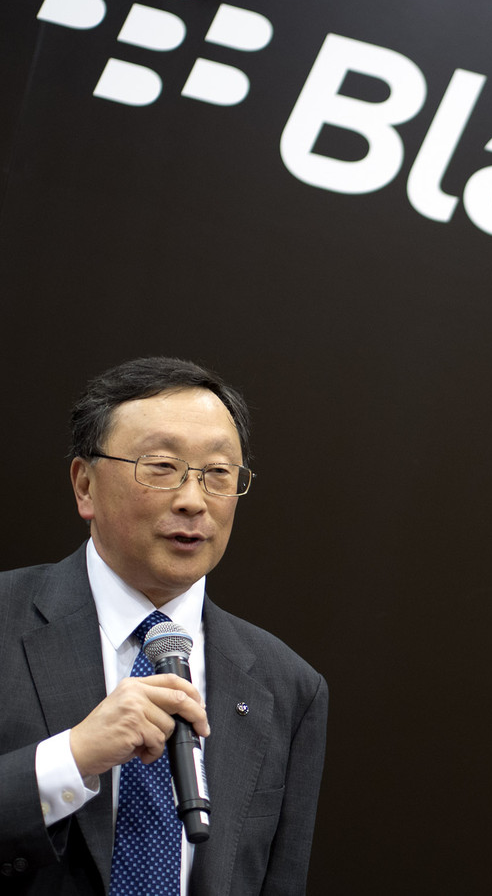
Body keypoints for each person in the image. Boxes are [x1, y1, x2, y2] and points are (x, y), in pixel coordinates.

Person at [0, 357, 328, 894]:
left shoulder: (288, 686)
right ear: (85, 486)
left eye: (218, 473)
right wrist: (72, 758)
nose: (193, 501)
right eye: (161, 466)